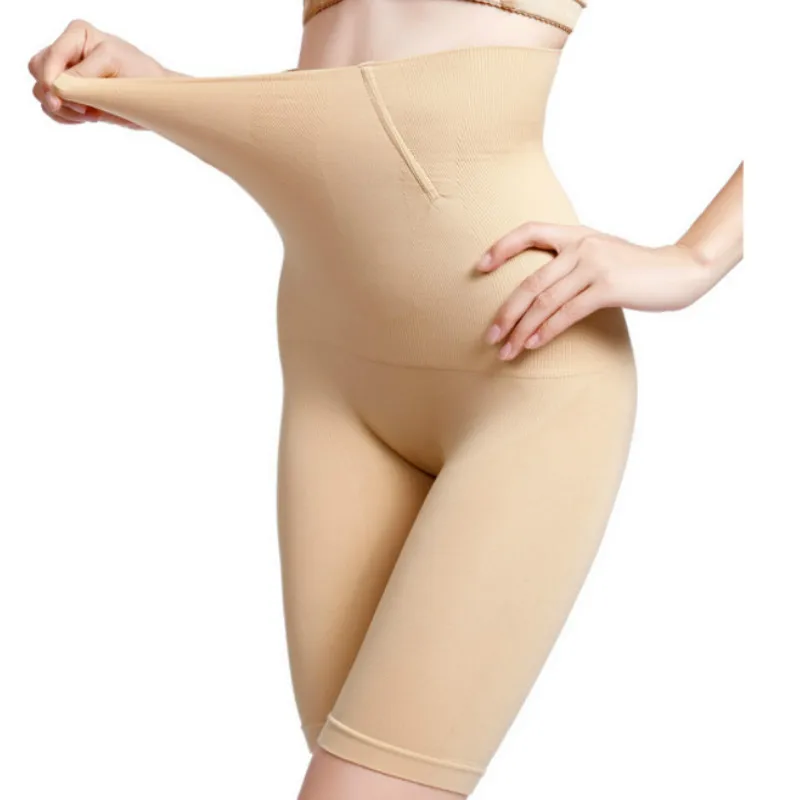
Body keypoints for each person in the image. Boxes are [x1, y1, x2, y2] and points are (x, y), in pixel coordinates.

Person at [28, 3, 743, 799]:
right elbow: (347, 103)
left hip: (523, 386)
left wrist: (695, 260)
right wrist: (160, 90)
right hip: (334, 389)